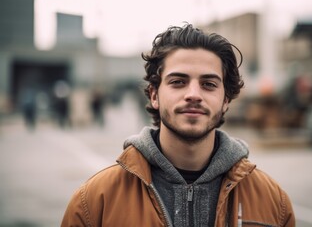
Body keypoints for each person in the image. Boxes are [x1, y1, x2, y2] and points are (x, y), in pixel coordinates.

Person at [61, 24, 295, 227]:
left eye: (209, 84)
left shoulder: (273, 202)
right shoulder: (94, 202)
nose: (193, 94)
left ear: (225, 100)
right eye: (178, 82)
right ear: (154, 95)